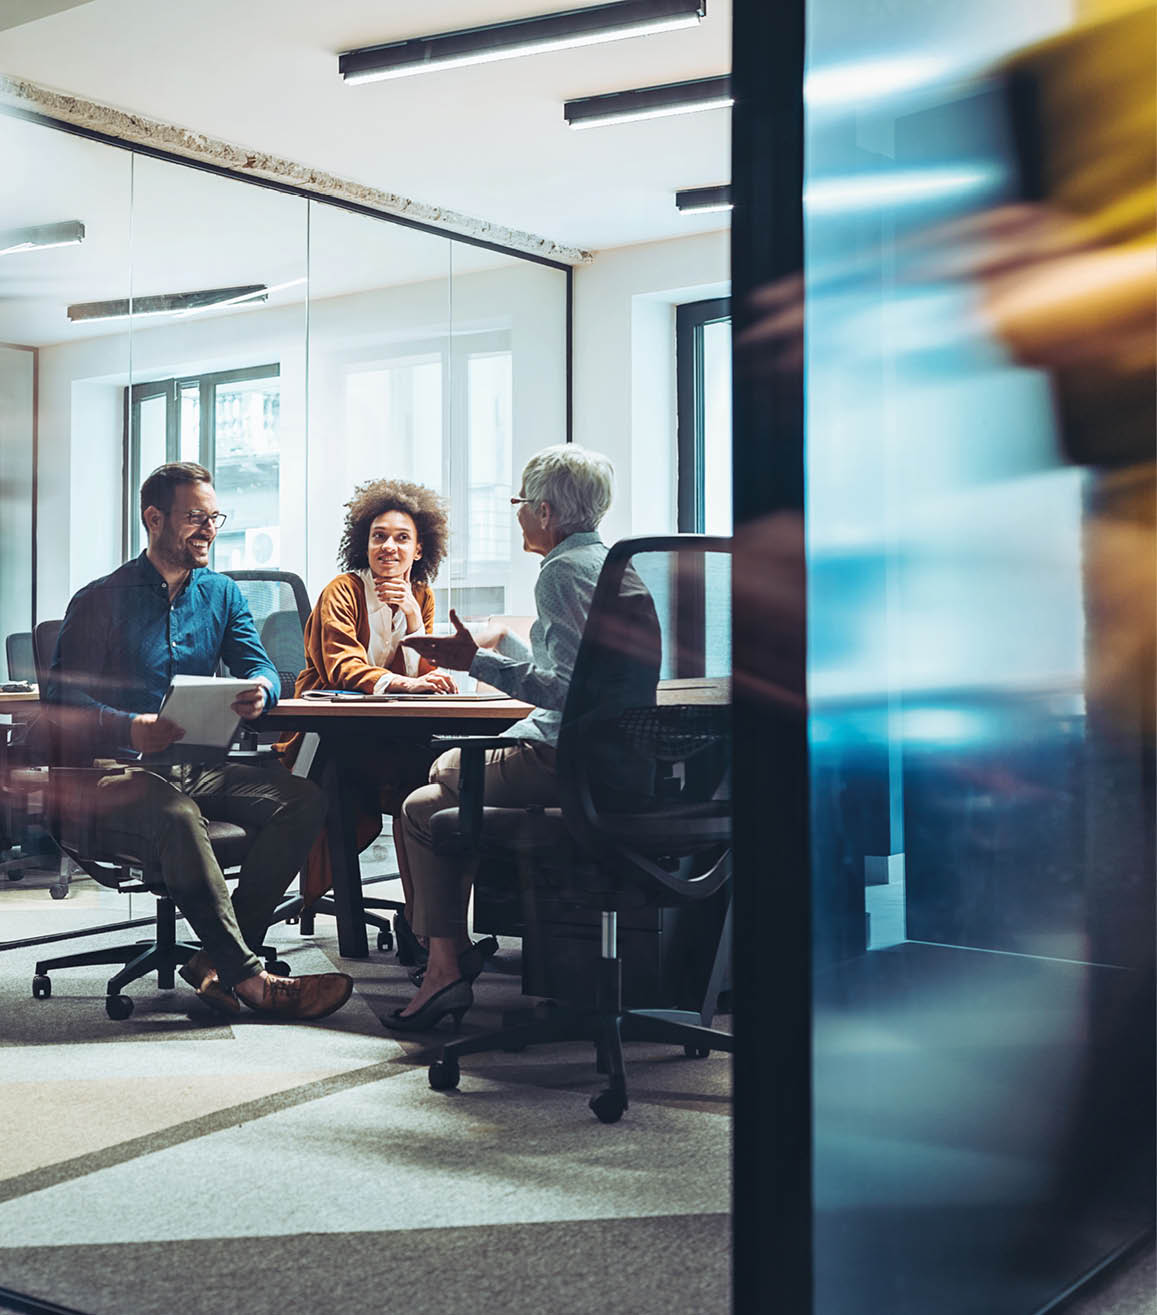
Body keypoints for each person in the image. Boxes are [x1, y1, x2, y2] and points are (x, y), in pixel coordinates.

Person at [42, 462, 352, 1021]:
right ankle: (252, 981)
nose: (209, 529)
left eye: (214, 518)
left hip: (195, 766)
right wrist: (128, 725)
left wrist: (262, 689)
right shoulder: (100, 600)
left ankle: (216, 960)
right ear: (154, 519)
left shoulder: (223, 594)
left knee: (302, 800)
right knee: (179, 815)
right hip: (112, 774)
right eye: (195, 518)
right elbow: (61, 705)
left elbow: (262, 666)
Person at [384, 443, 616, 1031]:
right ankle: (445, 964)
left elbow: (565, 692)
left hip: (560, 759)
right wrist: (493, 646)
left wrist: (472, 664)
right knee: (422, 810)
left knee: (442, 772)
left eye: (518, 502)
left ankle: (446, 968)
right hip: (608, 761)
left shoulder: (561, 572)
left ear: (544, 511)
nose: (515, 514)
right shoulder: (614, 565)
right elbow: (582, 673)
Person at [278, 478, 456, 949]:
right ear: (365, 542)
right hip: (327, 735)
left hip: (385, 732)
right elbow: (340, 666)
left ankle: (422, 923)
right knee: (407, 778)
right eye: (379, 536)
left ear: (420, 550)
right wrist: (403, 683)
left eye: (402, 538)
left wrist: (415, 620)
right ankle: (408, 929)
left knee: (424, 782)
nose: (389, 547)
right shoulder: (343, 590)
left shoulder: (422, 594)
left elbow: (426, 672)